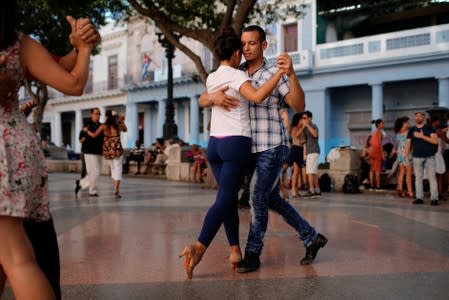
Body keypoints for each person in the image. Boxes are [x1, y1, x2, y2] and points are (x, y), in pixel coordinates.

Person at [199, 25, 327, 274]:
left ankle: (253, 252)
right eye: (243, 44)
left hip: (272, 145)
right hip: (247, 148)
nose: (246, 48)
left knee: (257, 197)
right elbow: (204, 96)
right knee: (271, 199)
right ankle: (312, 237)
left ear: (263, 45)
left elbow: (299, 105)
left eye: (252, 43)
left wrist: (290, 74)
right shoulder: (237, 71)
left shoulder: (273, 71)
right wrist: (211, 98)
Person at [0, 1, 94, 298]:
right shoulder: (19, 44)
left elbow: (57, 69)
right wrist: (84, 49)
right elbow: (71, 80)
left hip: (7, 154)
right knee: (16, 259)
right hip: (14, 150)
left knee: (16, 258)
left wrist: (80, 47)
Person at [180, 28, 287, 279]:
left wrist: (209, 98)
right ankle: (199, 246)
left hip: (214, 145)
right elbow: (259, 96)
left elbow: (204, 99)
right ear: (237, 52)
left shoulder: (212, 77)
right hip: (235, 143)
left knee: (226, 198)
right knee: (225, 199)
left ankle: (235, 250)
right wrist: (281, 72)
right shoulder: (238, 75)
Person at [85, 110, 127, 198]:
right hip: (117, 149)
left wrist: (86, 130)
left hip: (108, 150)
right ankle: (116, 190)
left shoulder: (103, 126)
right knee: (118, 169)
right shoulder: (117, 125)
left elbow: (94, 135)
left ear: (107, 117)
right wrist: (121, 121)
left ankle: (115, 189)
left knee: (113, 169)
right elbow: (125, 130)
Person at [404, 112, 439, 206]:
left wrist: (422, 136)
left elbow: (435, 141)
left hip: (429, 157)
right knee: (418, 178)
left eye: (420, 116)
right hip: (416, 157)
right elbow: (408, 144)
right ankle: (419, 198)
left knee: (432, 178)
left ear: (424, 117)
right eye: (416, 116)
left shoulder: (430, 128)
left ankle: (434, 199)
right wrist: (406, 157)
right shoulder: (411, 130)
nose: (418, 117)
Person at [76, 107, 103, 197]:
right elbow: (81, 136)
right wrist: (83, 138)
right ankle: (92, 191)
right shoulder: (88, 124)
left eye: (99, 114)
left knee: (97, 172)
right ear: (91, 114)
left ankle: (80, 183)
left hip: (99, 151)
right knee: (94, 171)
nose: (98, 115)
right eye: (96, 113)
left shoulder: (100, 125)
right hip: (89, 150)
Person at [297, 111, 321, 197]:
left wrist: (307, 125)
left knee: (310, 171)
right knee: (313, 172)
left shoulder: (313, 126)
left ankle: (312, 190)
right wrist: (303, 126)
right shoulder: (305, 128)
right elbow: (297, 135)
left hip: (314, 151)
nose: (303, 120)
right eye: (303, 118)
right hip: (309, 152)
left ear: (310, 118)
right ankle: (317, 190)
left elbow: (315, 135)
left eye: (305, 118)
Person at [393, 117, 414, 198]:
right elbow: (410, 144)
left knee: (402, 172)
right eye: (407, 122)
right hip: (407, 154)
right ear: (404, 123)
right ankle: (410, 192)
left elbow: (397, 145)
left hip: (400, 154)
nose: (409, 124)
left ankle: (400, 189)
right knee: (409, 173)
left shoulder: (398, 133)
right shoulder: (408, 132)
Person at [369, 119, 385, 191]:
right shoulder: (379, 132)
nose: (383, 124)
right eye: (382, 123)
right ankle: (378, 185)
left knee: (372, 169)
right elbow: (380, 144)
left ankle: (371, 185)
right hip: (376, 150)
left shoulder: (373, 132)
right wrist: (382, 154)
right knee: (377, 169)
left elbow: (370, 141)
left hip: (371, 150)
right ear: (378, 124)